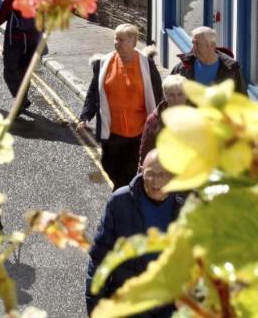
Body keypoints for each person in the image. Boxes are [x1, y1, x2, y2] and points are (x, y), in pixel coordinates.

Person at [86, 151, 183, 317]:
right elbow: (99, 257)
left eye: (163, 175)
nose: (156, 181)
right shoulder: (120, 202)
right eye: (150, 174)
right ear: (140, 170)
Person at [78, 24, 162, 191]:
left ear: (134, 41)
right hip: (112, 130)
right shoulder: (104, 63)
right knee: (108, 165)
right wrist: (85, 116)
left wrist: (160, 122)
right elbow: (94, 90)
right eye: (115, 39)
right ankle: (122, 191)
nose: (117, 43)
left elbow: (158, 93)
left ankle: (123, 198)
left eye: (121, 39)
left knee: (130, 171)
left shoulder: (146, 64)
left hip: (138, 131)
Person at [138, 75, 187, 169]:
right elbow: (146, 149)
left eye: (180, 94)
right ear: (165, 95)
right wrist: (143, 173)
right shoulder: (153, 120)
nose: (176, 99)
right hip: (162, 171)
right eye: (171, 95)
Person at [173, 26, 246, 90]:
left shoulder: (231, 68)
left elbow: (242, 98)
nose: (194, 48)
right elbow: (168, 93)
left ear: (212, 45)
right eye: (193, 43)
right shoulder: (182, 67)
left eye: (197, 44)